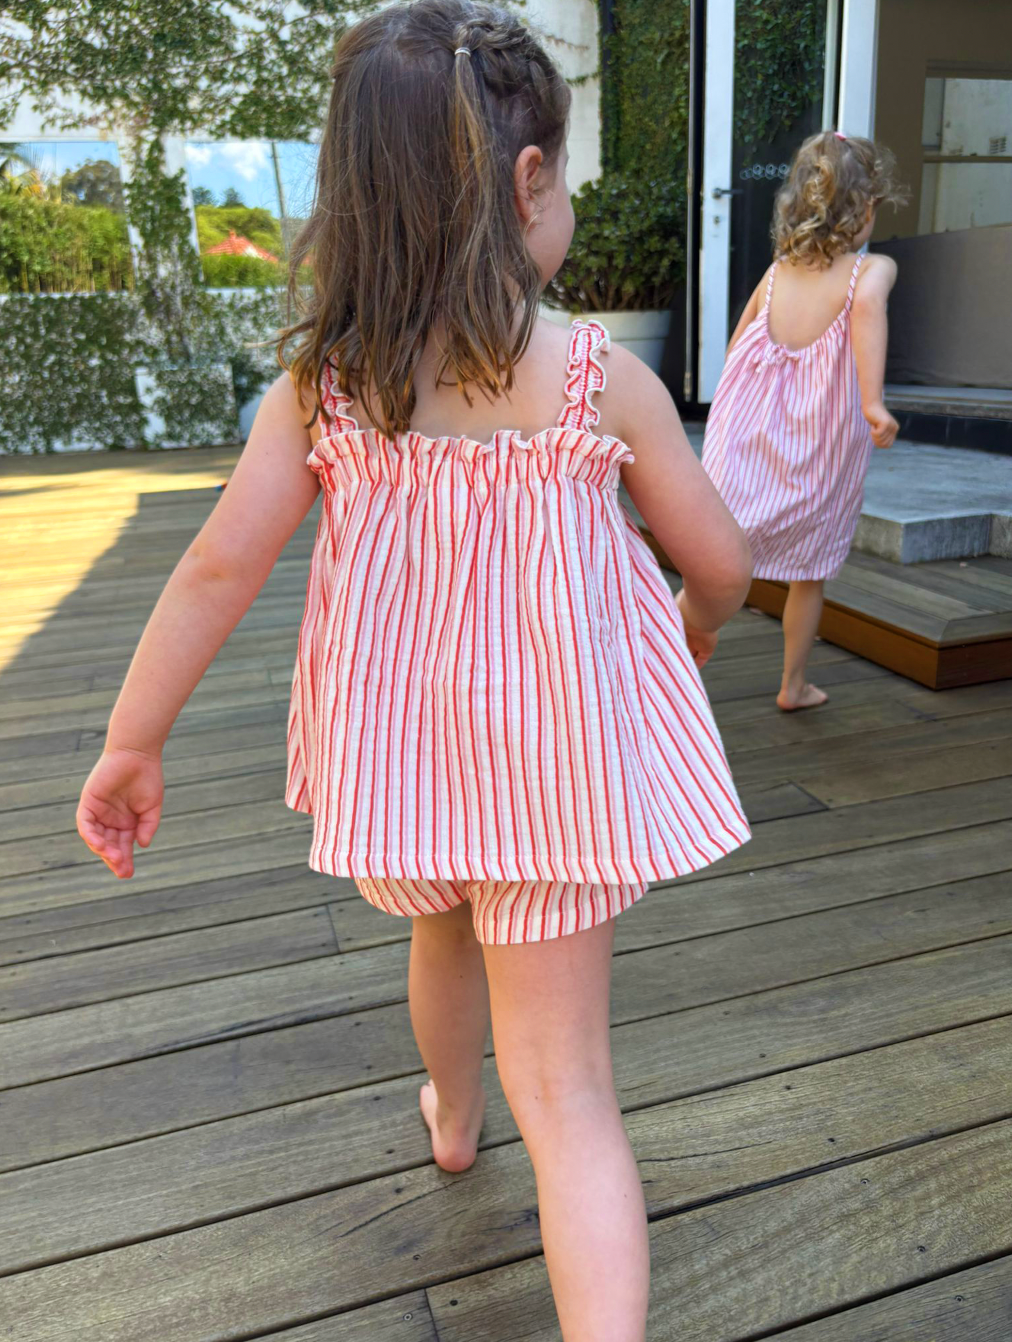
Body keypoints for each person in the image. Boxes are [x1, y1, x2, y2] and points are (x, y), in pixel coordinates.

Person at [76, 3, 752, 1336]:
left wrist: (133, 738)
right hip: (559, 775)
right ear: (529, 181)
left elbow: (216, 567)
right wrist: (694, 623)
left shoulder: (326, 387)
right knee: (571, 1095)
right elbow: (721, 558)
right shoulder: (598, 380)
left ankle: (450, 1113)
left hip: (407, 760)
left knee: (440, 933)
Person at [702, 130, 906, 711]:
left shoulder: (777, 272)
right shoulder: (872, 271)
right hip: (818, 440)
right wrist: (872, 402)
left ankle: (663, 661)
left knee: (714, 558)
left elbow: (737, 348)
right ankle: (792, 685)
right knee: (808, 571)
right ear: (865, 208)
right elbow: (867, 314)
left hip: (746, 433)